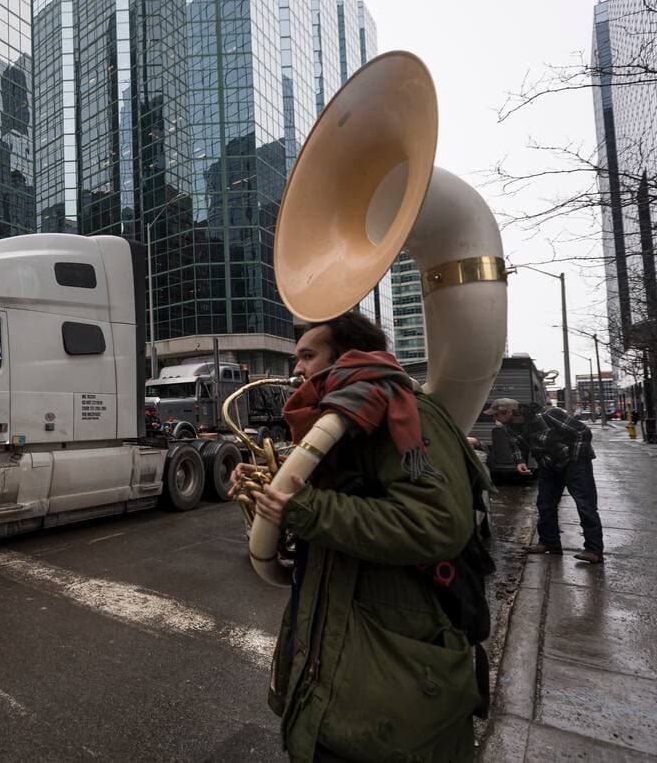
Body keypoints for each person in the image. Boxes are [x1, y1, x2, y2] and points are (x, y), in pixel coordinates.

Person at [228, 312, 491, 761]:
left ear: (346, 356)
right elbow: (333, 509)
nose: (297, 368)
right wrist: (268, 487)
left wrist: (303, 508)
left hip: (390, 681)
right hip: (343, 657)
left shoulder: (406, 411)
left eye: (308, 355)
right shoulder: (342, 416)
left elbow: (436, 523)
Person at [485, 397, 603, 563]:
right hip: (549, 465)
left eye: (497, 414)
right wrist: (520, 461)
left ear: (509, 412)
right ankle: (549, 543)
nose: (494, 418)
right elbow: (515, 444)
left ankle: (593, 550)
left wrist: (574, 458)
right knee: (545, 504)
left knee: (585, 505)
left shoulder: (548, 415)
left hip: (575, 464)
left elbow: (582, 432)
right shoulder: (509, 427)